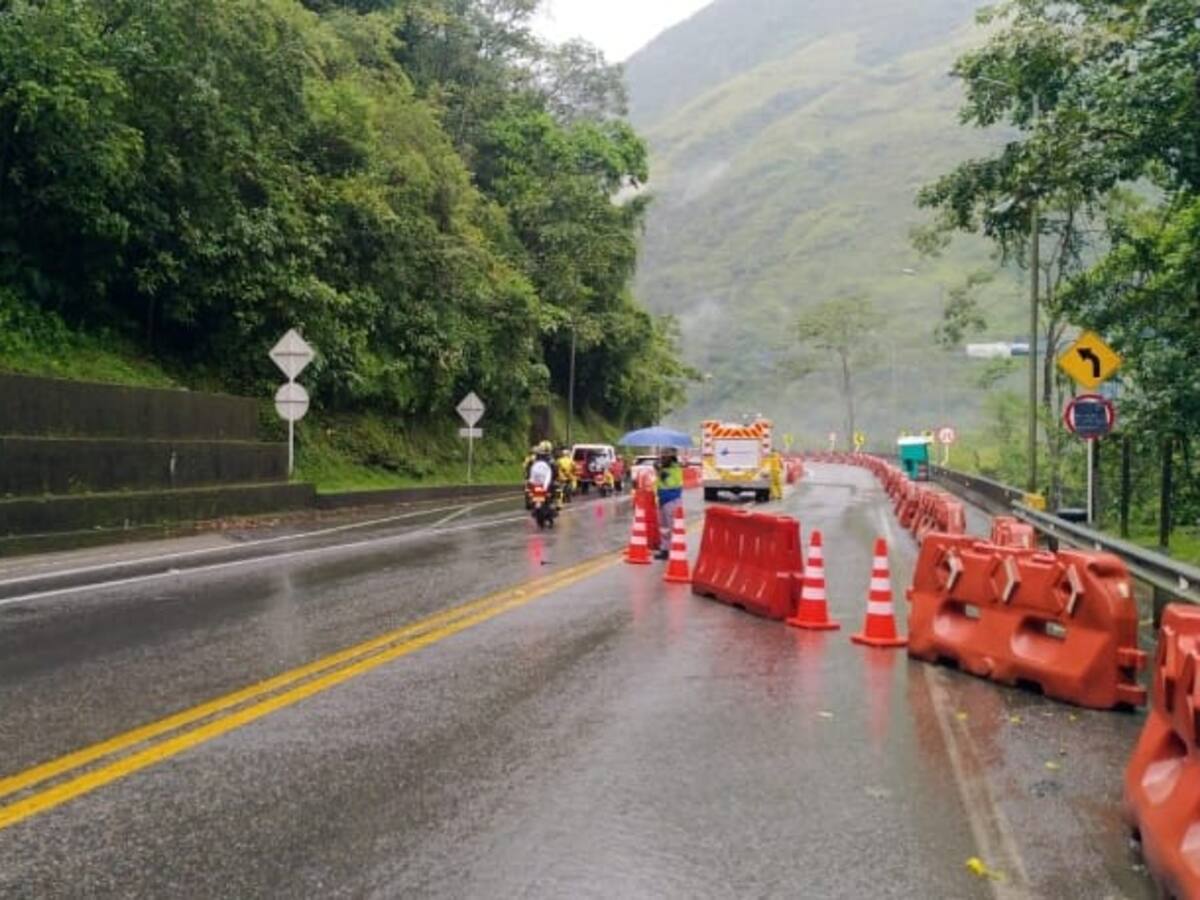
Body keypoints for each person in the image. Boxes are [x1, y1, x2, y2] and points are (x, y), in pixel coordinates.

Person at [655, 448, 684, 560]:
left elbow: (672, 484)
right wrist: (659, 472)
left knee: (672, 526)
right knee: (664, 527)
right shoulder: (664, 468)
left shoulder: (675, 468)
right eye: (662, 456)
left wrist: (662, 474)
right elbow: (659, 484)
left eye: (665, 456)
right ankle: (665, 549)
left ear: (671, 457)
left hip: (672, 500)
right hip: (663, 499)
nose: (662, 458)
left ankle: (675, 548)